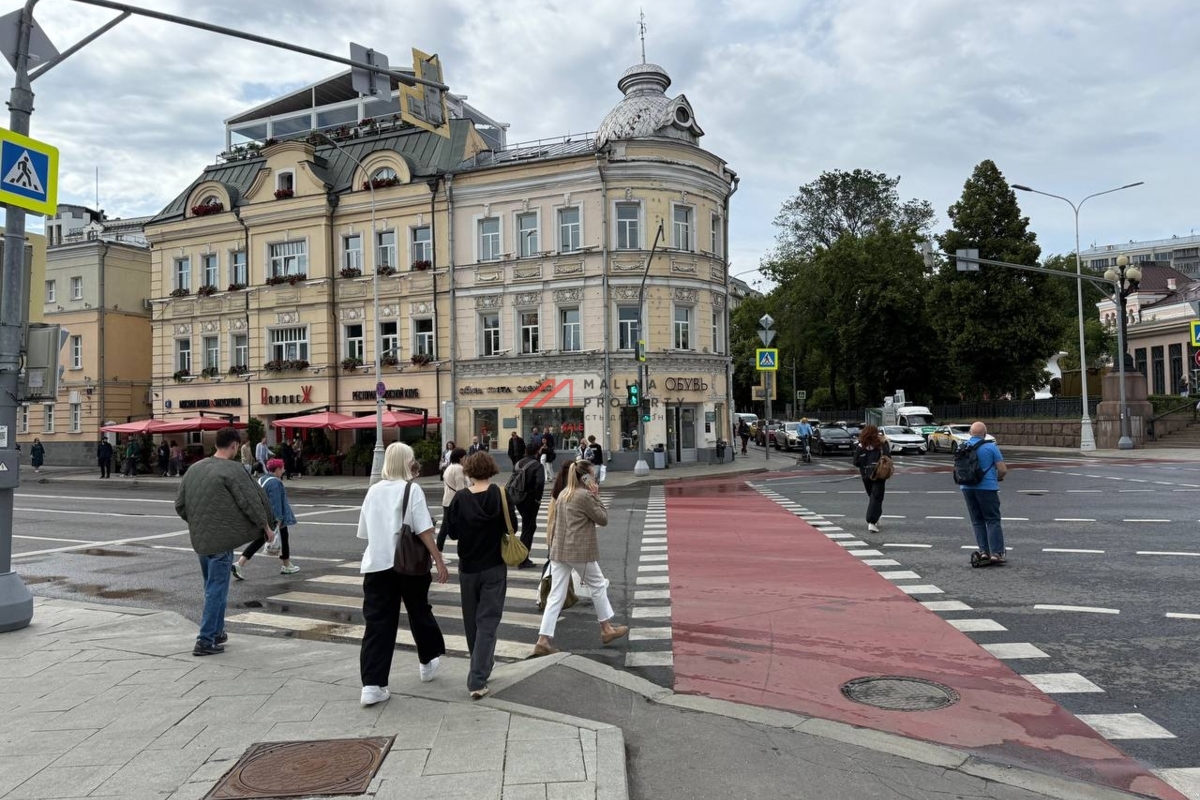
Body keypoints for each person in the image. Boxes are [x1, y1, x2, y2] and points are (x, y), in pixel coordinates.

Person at [356, 442, 449, 707]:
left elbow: (364, 532)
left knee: (377, 624)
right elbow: (424, 530)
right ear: (408, 462)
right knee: (420, 612)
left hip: (377, 566)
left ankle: (372, 685)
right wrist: (438, 559)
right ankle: (427, 662)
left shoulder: (373, 491)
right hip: (409, 566)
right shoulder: (412, 488)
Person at [174, 426, 276, 657]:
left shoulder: (194, 469)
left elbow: (180, 505)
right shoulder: (233, 469)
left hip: (201, 542)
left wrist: (199, 523)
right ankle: (205, 640)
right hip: (221, 543)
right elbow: (250, 501)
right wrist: (266, 527)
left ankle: (217, 632)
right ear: (234, 446)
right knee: (216, 591)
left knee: (213, 588)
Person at [534, 458, 628, 657]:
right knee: (598, 585)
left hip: (559, 551)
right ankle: (606, 629)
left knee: (556, 595)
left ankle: (543, 639)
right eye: (592, 475)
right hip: (578, 550)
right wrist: (597, 496)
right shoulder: (584, 495)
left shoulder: (564, 494)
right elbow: (603, 519)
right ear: (585, 477)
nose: (595, 478)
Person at [442, 451, 515, 699]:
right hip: (494, 566)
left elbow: (452, 533)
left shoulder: (460, 499)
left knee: (472, 621)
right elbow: (512, 527)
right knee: (489, 622)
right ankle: (478, 678)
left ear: (468, 472)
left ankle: (481, 666)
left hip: (468, 568)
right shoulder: (501, 494)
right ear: (492, 469)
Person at [232, 458, 300, 578]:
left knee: (262, 539)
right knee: (282, 538)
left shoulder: (262, 479)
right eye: (283, 468)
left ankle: (240, 563)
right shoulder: (275, 483)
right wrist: (278, 521)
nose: (284, 470)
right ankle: (286, 565)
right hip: (273, 518)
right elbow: (276, 503)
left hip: (263, 515)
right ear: (278, 469)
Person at [960, 421, 1008, 565]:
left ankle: (983, 552)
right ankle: (996, 553)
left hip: (967, 487)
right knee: (992, 519)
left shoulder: (962, 447)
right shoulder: (991, 447)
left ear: (970, 433)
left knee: (977, 521)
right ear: (985, 434)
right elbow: (1003, 469)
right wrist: (998, 478)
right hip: (987, 487)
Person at [511, 442, 546, 568]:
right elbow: (540, 483)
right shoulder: (537, 465)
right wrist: (537, 499)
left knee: (529, 526)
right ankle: (523, 559)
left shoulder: (519, 462)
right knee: (528, 528)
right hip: (530, 500)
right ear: (537, 451)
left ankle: (523, 557)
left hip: (519, 499)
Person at [852, 424, 891, 534]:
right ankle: (872, 521)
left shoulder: (860, 446)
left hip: (865, 475)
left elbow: (855, 462)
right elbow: (888, 457)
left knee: (872, 496)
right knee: (877, 497)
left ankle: (875, 517)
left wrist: (865, 464)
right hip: (879, 474)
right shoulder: (880, 444)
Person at [436, 447, 469, 551]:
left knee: (445, 528)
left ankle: (438, 552)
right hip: (455, 503)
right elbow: (461, 489)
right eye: (464, 457)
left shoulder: (450, 467)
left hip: (448, 501)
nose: (466, 459)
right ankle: (438, 553)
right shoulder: (459, 469)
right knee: (456, 528)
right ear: (460, 458)